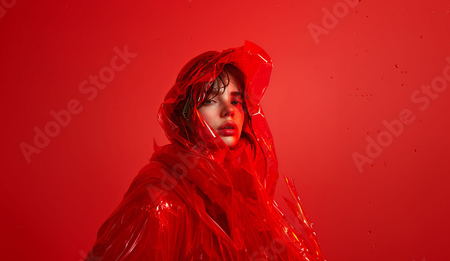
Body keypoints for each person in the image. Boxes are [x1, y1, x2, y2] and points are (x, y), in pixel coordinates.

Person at [85, 41, 324, 260]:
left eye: (236, 101)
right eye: (210, 100)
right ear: (185, 114)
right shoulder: (159, 199)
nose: (228, 111)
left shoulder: (241, 194)